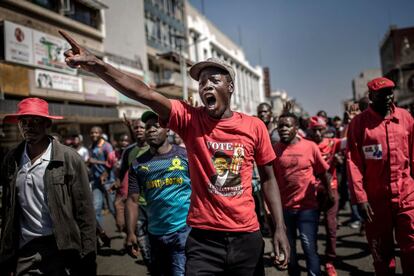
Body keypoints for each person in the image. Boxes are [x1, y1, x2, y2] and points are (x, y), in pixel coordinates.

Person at [60, 30, 290, 275]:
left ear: (230, 87)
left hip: (246, 236)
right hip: (203, 241)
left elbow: (268, 179)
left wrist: (279, 228)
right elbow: (144, 93)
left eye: (214, 80)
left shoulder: (254, 126)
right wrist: (97, 65)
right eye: (202, 83)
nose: (206, 86)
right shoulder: (189, 119)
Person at [0, 97, 96, 275]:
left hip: (60, 248)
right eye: (24, 122)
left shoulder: (69, 158)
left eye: (36, 121)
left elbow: (85, 210)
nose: (29, 127)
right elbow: (7, 209)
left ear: (47, 124)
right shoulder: (11, 160)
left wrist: (88, 256)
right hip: (24, 249)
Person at [347, 77, 414, 275]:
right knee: (382, 254)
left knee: (411, 248)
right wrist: (361, 198)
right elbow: (354, 162)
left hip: (407, 195)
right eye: (381, 94)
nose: (387, 98)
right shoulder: (359, 124)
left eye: (390, 93)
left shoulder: (406, 118)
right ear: (371, 96)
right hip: (375, 200)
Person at [127, 110, 191, 276]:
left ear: (168, 129)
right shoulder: (138, 165)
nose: (151, 130)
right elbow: (132, 201)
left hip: (183, 231)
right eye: (147, 127)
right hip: (155, 235)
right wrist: (130, 233)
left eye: (156, 126)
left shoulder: (185, 156)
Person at [273, 109, 334, 276]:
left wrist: (329, 193)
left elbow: (323, 172)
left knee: (309, 247)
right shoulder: (274, 151)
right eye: (280, 126)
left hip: (307, 208)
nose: (283, 129)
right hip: (284, 210)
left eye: (287, 126)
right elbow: (270, 182)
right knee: (289, 249)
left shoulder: (310, 147)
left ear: (296, 127)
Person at [308, 115, 347, 276]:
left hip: (331, 191)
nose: (318, 133)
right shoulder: (306, 145)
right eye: (314, 130)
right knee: (312, 230)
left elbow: (350, 139)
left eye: (320, 130)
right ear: (310, 131)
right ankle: (314, 258)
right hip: (311, 193)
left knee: (331, 229)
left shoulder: (332, 143)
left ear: (325, 130)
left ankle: (329, 261)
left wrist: (351, 121)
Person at [116, 119, 152, 270]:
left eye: (141, 127)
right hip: (136, 203)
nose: (138, 130)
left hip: (154, 204)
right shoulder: (128, 151)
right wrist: (117, 183)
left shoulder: (155, 148)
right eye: (136, 127)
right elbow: (122, 170)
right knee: (144, 246)